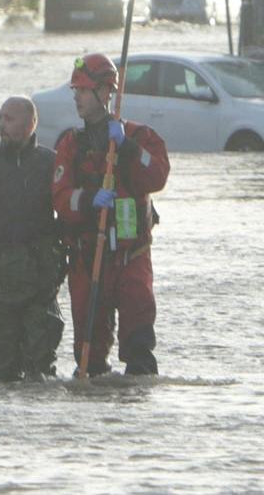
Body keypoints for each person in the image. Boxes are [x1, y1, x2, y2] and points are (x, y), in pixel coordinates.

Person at [52, 52, 170, 376]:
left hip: (131, 256)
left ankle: (133, 416)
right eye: (75, 91)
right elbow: (61, 197)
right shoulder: (70, 145)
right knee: (88, 354)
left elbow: (157, 175)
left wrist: (129, 149)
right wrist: (89, 200)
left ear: (105, 93)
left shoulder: (138, 138)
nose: (77, 97)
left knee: (139, 343)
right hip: (89, 259)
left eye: (84, 90)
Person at [0, 95, 66, 381]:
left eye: (9, 119)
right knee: (4, 362)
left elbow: (70, 208)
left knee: (41, 363)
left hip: (40, 274)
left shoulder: (50, 163)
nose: (1, 125)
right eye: (0, 118)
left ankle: (38, 422)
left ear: (31, 123)